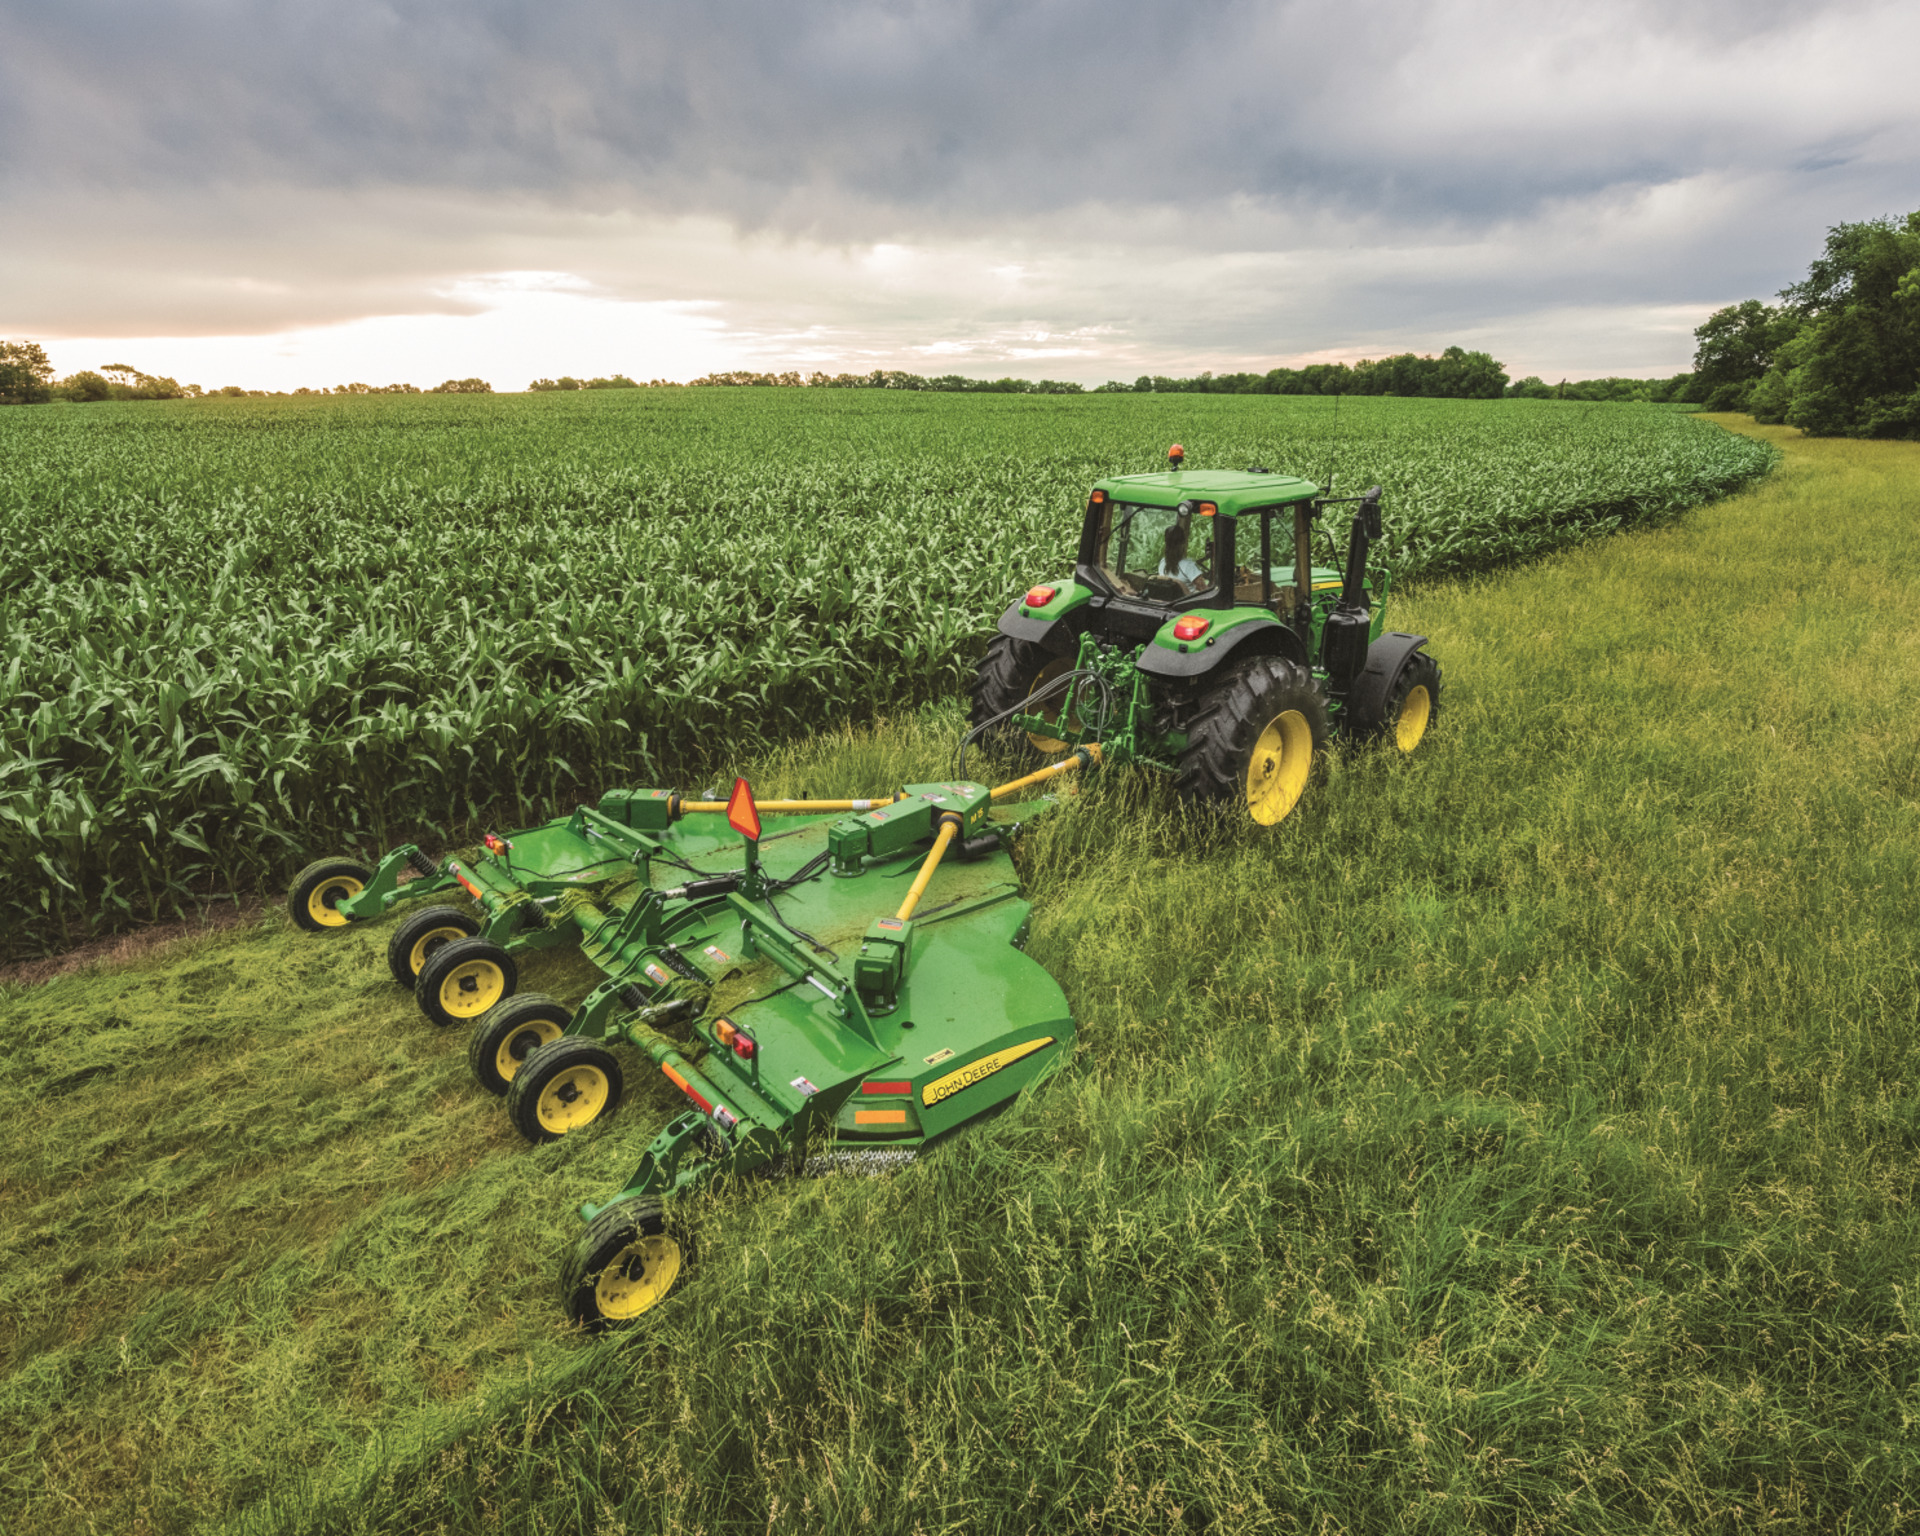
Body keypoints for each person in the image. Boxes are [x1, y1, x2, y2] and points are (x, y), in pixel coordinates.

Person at [1159, 522, 1204, 589]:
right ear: (1183, 544)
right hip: (1189, 599)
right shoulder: (1189, 565)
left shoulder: (1162, 563)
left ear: (1166, 544)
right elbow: (1205, 590)